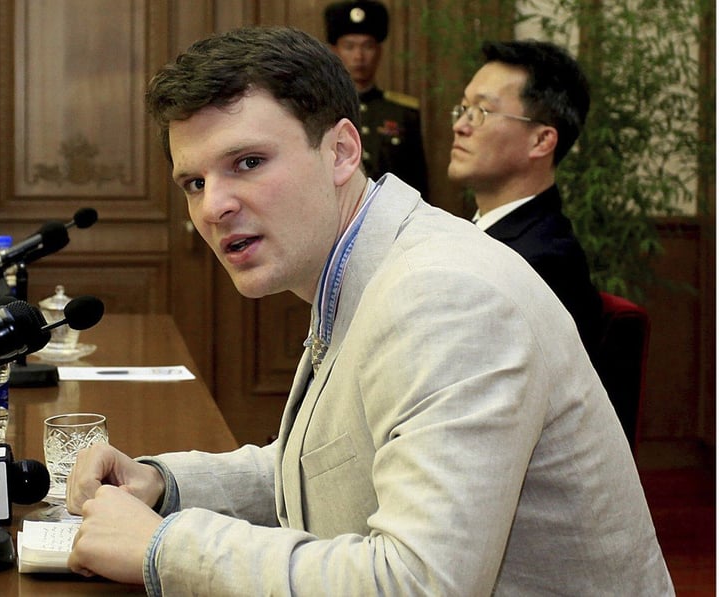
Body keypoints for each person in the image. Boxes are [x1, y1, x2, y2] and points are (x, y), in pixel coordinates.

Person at [62, 26, 673, 595]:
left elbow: (416, 582)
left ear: (342, 152)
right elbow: (335, 463)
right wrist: (167, 486)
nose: (213, 206)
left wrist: (164, 547)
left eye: (247, 163)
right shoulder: (365, 262)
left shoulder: (445, 296)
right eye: (193, 183)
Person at [448, 40, 601, 351]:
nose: (460, 126)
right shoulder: (472, 234)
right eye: (463, 109)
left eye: (482, 111)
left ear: (541, 140)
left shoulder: (542, 263)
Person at [324, 0, 428, 196]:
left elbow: (418, 185)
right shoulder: (320, 110)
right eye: (349, 46)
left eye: (367, 46)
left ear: (379, 51)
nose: (359, 56)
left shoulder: (403, 112)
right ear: (334, 51)